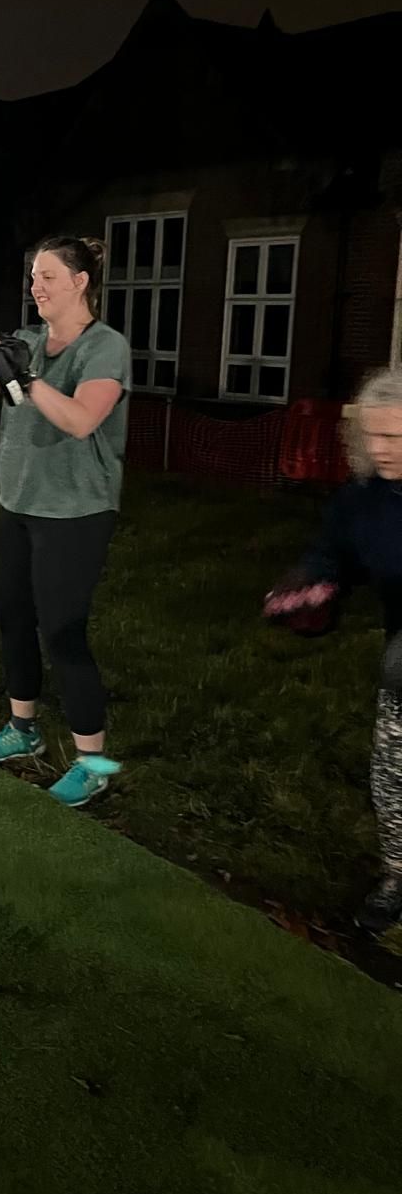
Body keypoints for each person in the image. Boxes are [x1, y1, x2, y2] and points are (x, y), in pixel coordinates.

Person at [0, 236, 130, 806]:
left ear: (81, 282)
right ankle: (23, 730)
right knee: (12, 617)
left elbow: (80, 420)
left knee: (63, 632)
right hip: (17, 505)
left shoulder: (106, 347)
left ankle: (94, 761)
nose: (36, 286)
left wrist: (27, 380)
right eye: (32, 276)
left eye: (48, 276)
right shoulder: (24, 340)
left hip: (76, 512)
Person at [264, 368, 402, 935]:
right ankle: (399, 877)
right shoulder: (361, 501)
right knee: (392, 771)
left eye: (393, 437)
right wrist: (312, 590)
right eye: (370, 435)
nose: (377, 448)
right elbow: (333, 557)